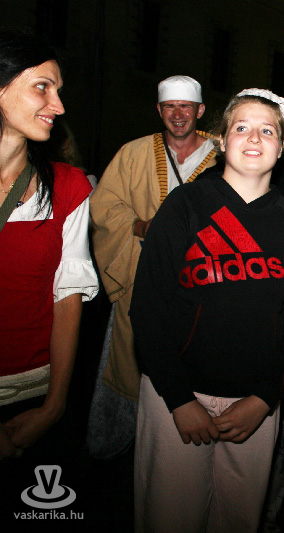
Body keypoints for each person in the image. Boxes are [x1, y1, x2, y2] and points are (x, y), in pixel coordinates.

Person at [129, 89, 284, 531]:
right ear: (220, 139)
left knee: (238, 520)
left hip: (254, 405)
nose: (254, 137)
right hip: (176, 398)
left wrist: (265, 399)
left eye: (267, 131)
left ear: (282, 146)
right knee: (169, 519)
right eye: (241, 127)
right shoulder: (185, 206)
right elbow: (149, 309)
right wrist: (179, 399)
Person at [89, 75, 217, 458]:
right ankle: (125, 446)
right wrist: (139, 226)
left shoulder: (223, 153)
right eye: (169, 107)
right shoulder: (133, 153)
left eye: (185, 106)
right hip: (142, 274)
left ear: (200, 110)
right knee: (132, 358)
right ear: (159, 110)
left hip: (204, 284)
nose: (178, 114)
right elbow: (104, 205)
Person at [0, 29, 97, 500]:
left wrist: (53, 407)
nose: (57, 105)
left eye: (57, 90)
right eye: (42, 87)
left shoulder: (68, 187)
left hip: (34, 391)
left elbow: (67, 297)